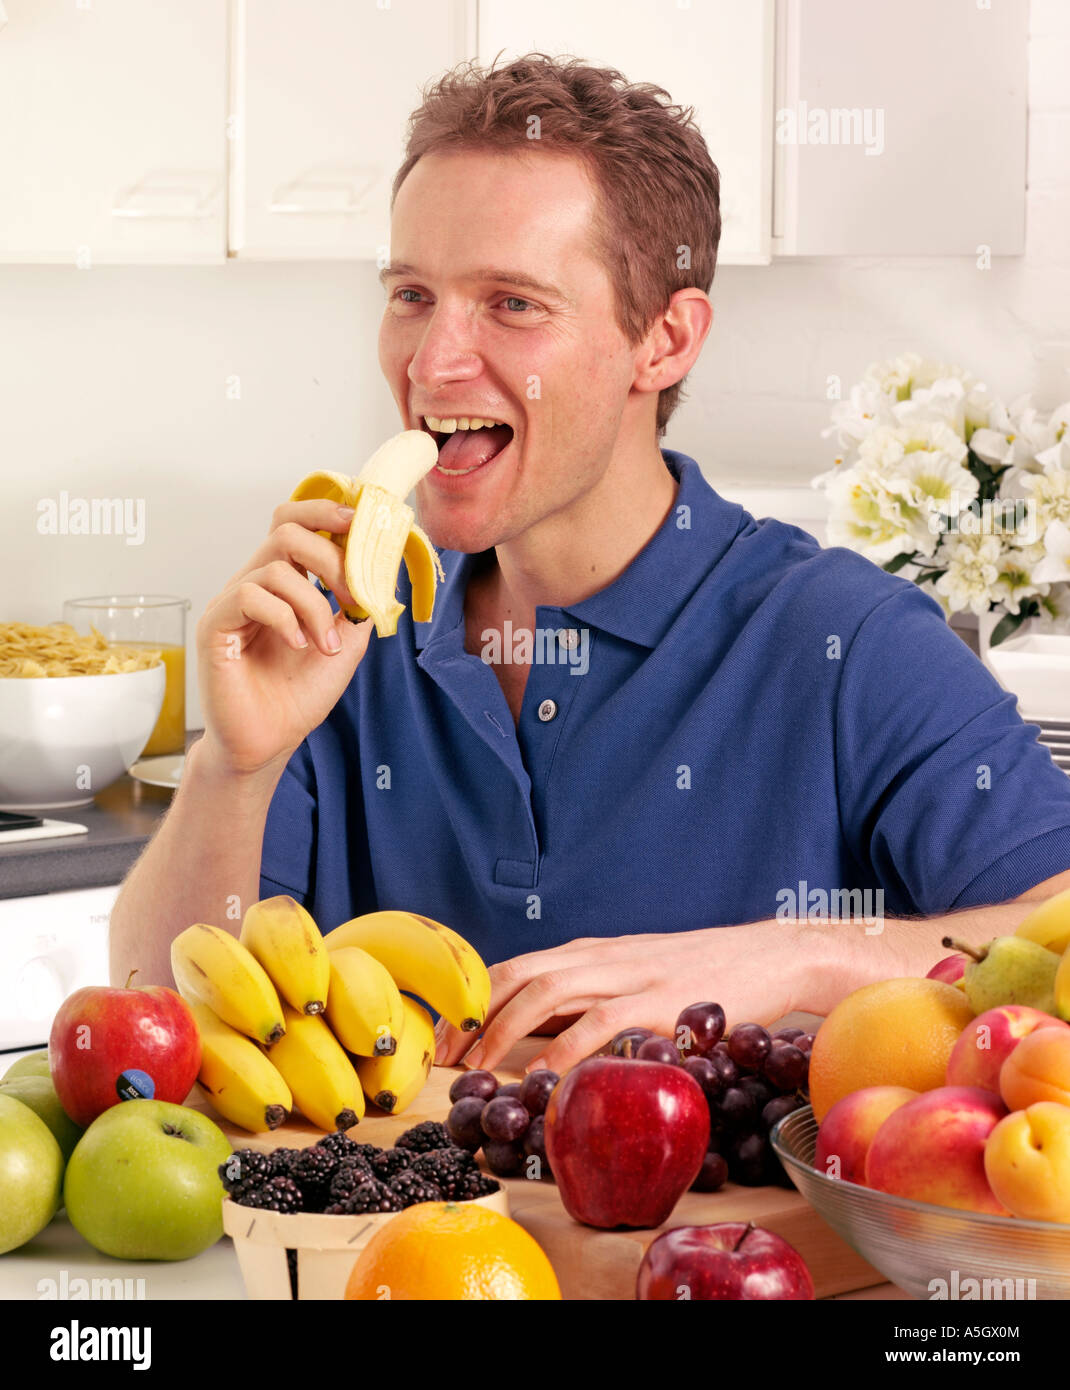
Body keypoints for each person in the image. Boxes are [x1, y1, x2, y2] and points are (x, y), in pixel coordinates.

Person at [110, 53, 1070, 1079]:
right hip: (397, 1242)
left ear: (662, 339)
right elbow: (152, 1043)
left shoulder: (844, 642)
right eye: (411, 294)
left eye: (511, 304)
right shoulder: (339, 627)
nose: (432, 361)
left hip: (732, 1241)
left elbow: (1050, 940)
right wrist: (234, 767)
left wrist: (798, 953)